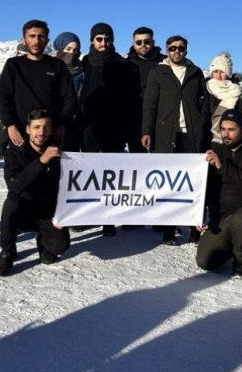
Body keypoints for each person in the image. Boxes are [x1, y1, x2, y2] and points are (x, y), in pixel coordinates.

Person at [141, 35, 210, 244]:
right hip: (166, 135)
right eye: (172, 48)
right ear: (167, 50)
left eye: (180, 48)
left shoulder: (196, 73)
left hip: (192, 134)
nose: (176, 52)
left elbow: (204, 102)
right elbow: (150, 104)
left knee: (193, 182)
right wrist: (147, 131)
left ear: (186, 51)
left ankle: (194, 227)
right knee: (169, 182)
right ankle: (169, 229)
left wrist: (202, 123)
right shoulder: (158, 72)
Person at [0, 109, 70, 277]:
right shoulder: (15, 152)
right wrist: (41, 162)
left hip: (47, 209)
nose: (41, 132)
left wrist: (64, 215)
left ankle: (43, 242)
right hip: (23, 209)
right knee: (12, 202)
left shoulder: (61, 151)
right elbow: (14, 185)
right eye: (37, 127)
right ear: (28, 129)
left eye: (46, 127)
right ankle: (7, 253)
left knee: (60, 245)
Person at [80, 22, 139, 236]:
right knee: (89, 173)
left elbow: (130, 100)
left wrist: (125, 129)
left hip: (114, 128)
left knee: (110, 175)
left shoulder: (122, 64)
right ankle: (89, 214)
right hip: (89, 127)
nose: (103, 42)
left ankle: (108, 219)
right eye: (99, 39)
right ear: (92, 41)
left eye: (107, 39)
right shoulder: (85, 62)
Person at [195, 109, 242, 279]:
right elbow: (208, 189)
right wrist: (201, 215)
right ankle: (235, 244)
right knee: (205, 261)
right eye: (223, 129)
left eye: (231, 130)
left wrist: (223, 167)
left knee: (241, 219)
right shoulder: (216, 150)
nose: (226, 134)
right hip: (224, 216)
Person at [0, 20, 78, 150]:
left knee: (52, 170)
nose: (36, 41)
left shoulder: (57, 66)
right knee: (21, 170)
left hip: (51, 134)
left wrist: (62, 124)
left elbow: (69, 98)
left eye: (41, 36)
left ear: (47, 40)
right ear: (24, 40)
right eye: (32, 36)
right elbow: (3, 98)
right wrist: (10, 125)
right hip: (21, 134)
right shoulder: (13, 65)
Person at [126, 26, 163, 153]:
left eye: (147, 42)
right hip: (134, 117)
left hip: (159, 116)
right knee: (136, 158)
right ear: (133, 44)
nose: (143, 45)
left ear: (152, 42)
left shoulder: (164, 63)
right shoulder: (126, 64)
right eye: (139, 42)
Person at [205, 51, 242, 144]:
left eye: (222, 71)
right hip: (206, 137)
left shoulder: (237, 91)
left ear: (228, 73)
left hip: (231, 139)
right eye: (215, 71)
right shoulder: (205, 89)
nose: (218, 75)